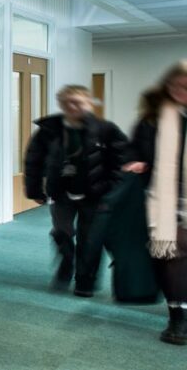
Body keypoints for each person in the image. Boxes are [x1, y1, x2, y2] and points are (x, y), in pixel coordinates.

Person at [24, 84, 128, 297]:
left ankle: (84, 282)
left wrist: (112, 190)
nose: (72, 106)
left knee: (89, 239)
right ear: (61, 104)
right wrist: (34, 190)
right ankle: (66, 262)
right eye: (66, 102)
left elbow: (123, 161)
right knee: (62, 232)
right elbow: (33, 161)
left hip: (95, 193)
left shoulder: (106, 129)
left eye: (78, 102)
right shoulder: (48, 130)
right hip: (61, 192)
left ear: (88, 103)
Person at [124, 60, 187, 345]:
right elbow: (133, 149)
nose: (181, 92)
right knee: (169, 257)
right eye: (177, 86)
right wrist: (135, 162)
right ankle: (178, 317)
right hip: (164, 201)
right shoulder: (153, 118)